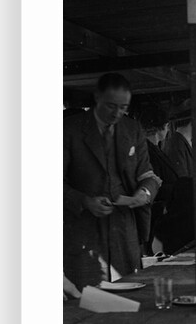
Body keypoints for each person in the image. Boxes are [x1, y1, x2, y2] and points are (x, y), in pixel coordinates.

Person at [63, 73, 162, 290]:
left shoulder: (133, 129)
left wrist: (144, 193)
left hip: (124, 234)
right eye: (111, 106)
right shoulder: (68, 130)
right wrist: (84, 201)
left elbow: (148, 175)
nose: (117, 113)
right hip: (82, 235)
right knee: (86, 302)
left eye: (123, 107)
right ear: (97, 97)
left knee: (128, 297)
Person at [138, 105, 179, 255]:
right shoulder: (148, 150)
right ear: (162, 127)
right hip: (156, 215)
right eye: (167, 126)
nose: (167, 131)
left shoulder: (154, 149)